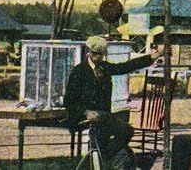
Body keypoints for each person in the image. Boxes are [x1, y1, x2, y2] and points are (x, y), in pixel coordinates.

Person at [64, 36, 160, 169]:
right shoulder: (79, 70)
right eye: (95, 53)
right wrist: (85, 112)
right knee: (125, 130)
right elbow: (69, 99)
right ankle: (123, 160)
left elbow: (126, 66)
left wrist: (153, 57)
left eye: (101, 54)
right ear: (89, 52)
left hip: (102, 116)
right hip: (82, 115)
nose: (98, 57)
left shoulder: (104, 67)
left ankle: (106, 157)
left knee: (120, 133)